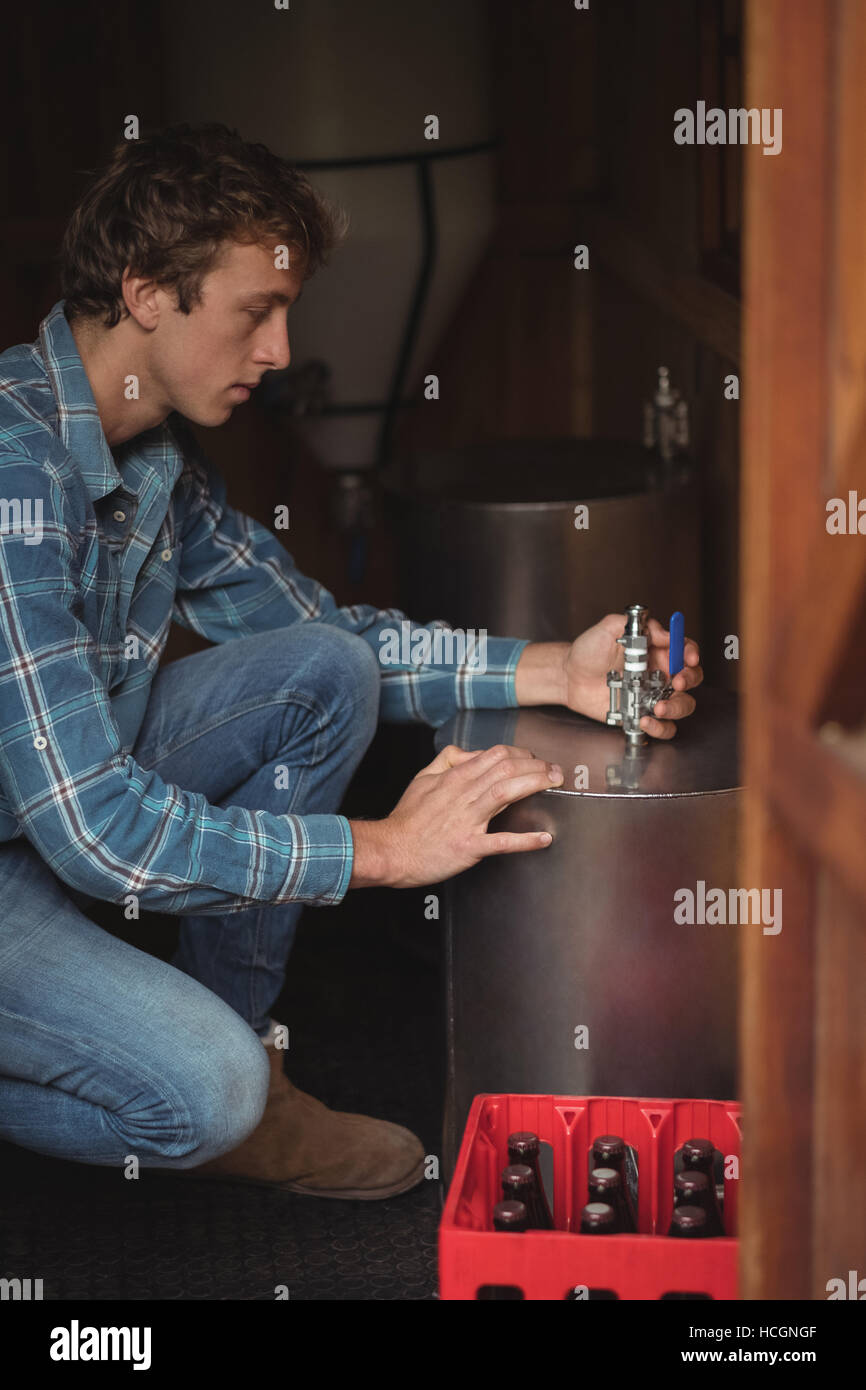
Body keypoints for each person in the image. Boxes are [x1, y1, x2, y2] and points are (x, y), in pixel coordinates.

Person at [0, 124, 702, 1200]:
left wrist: (554, 667)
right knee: (203, 1097)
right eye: (255, 313)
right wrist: (378, 850)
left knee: (323, 668)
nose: (280, 352)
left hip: (41, 810)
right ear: (147, 293)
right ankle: (233, 1096)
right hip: (45, 835)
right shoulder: (16, 471)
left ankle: (250, 1062)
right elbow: (95, 828)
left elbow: (334, 639)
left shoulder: (151, 454)